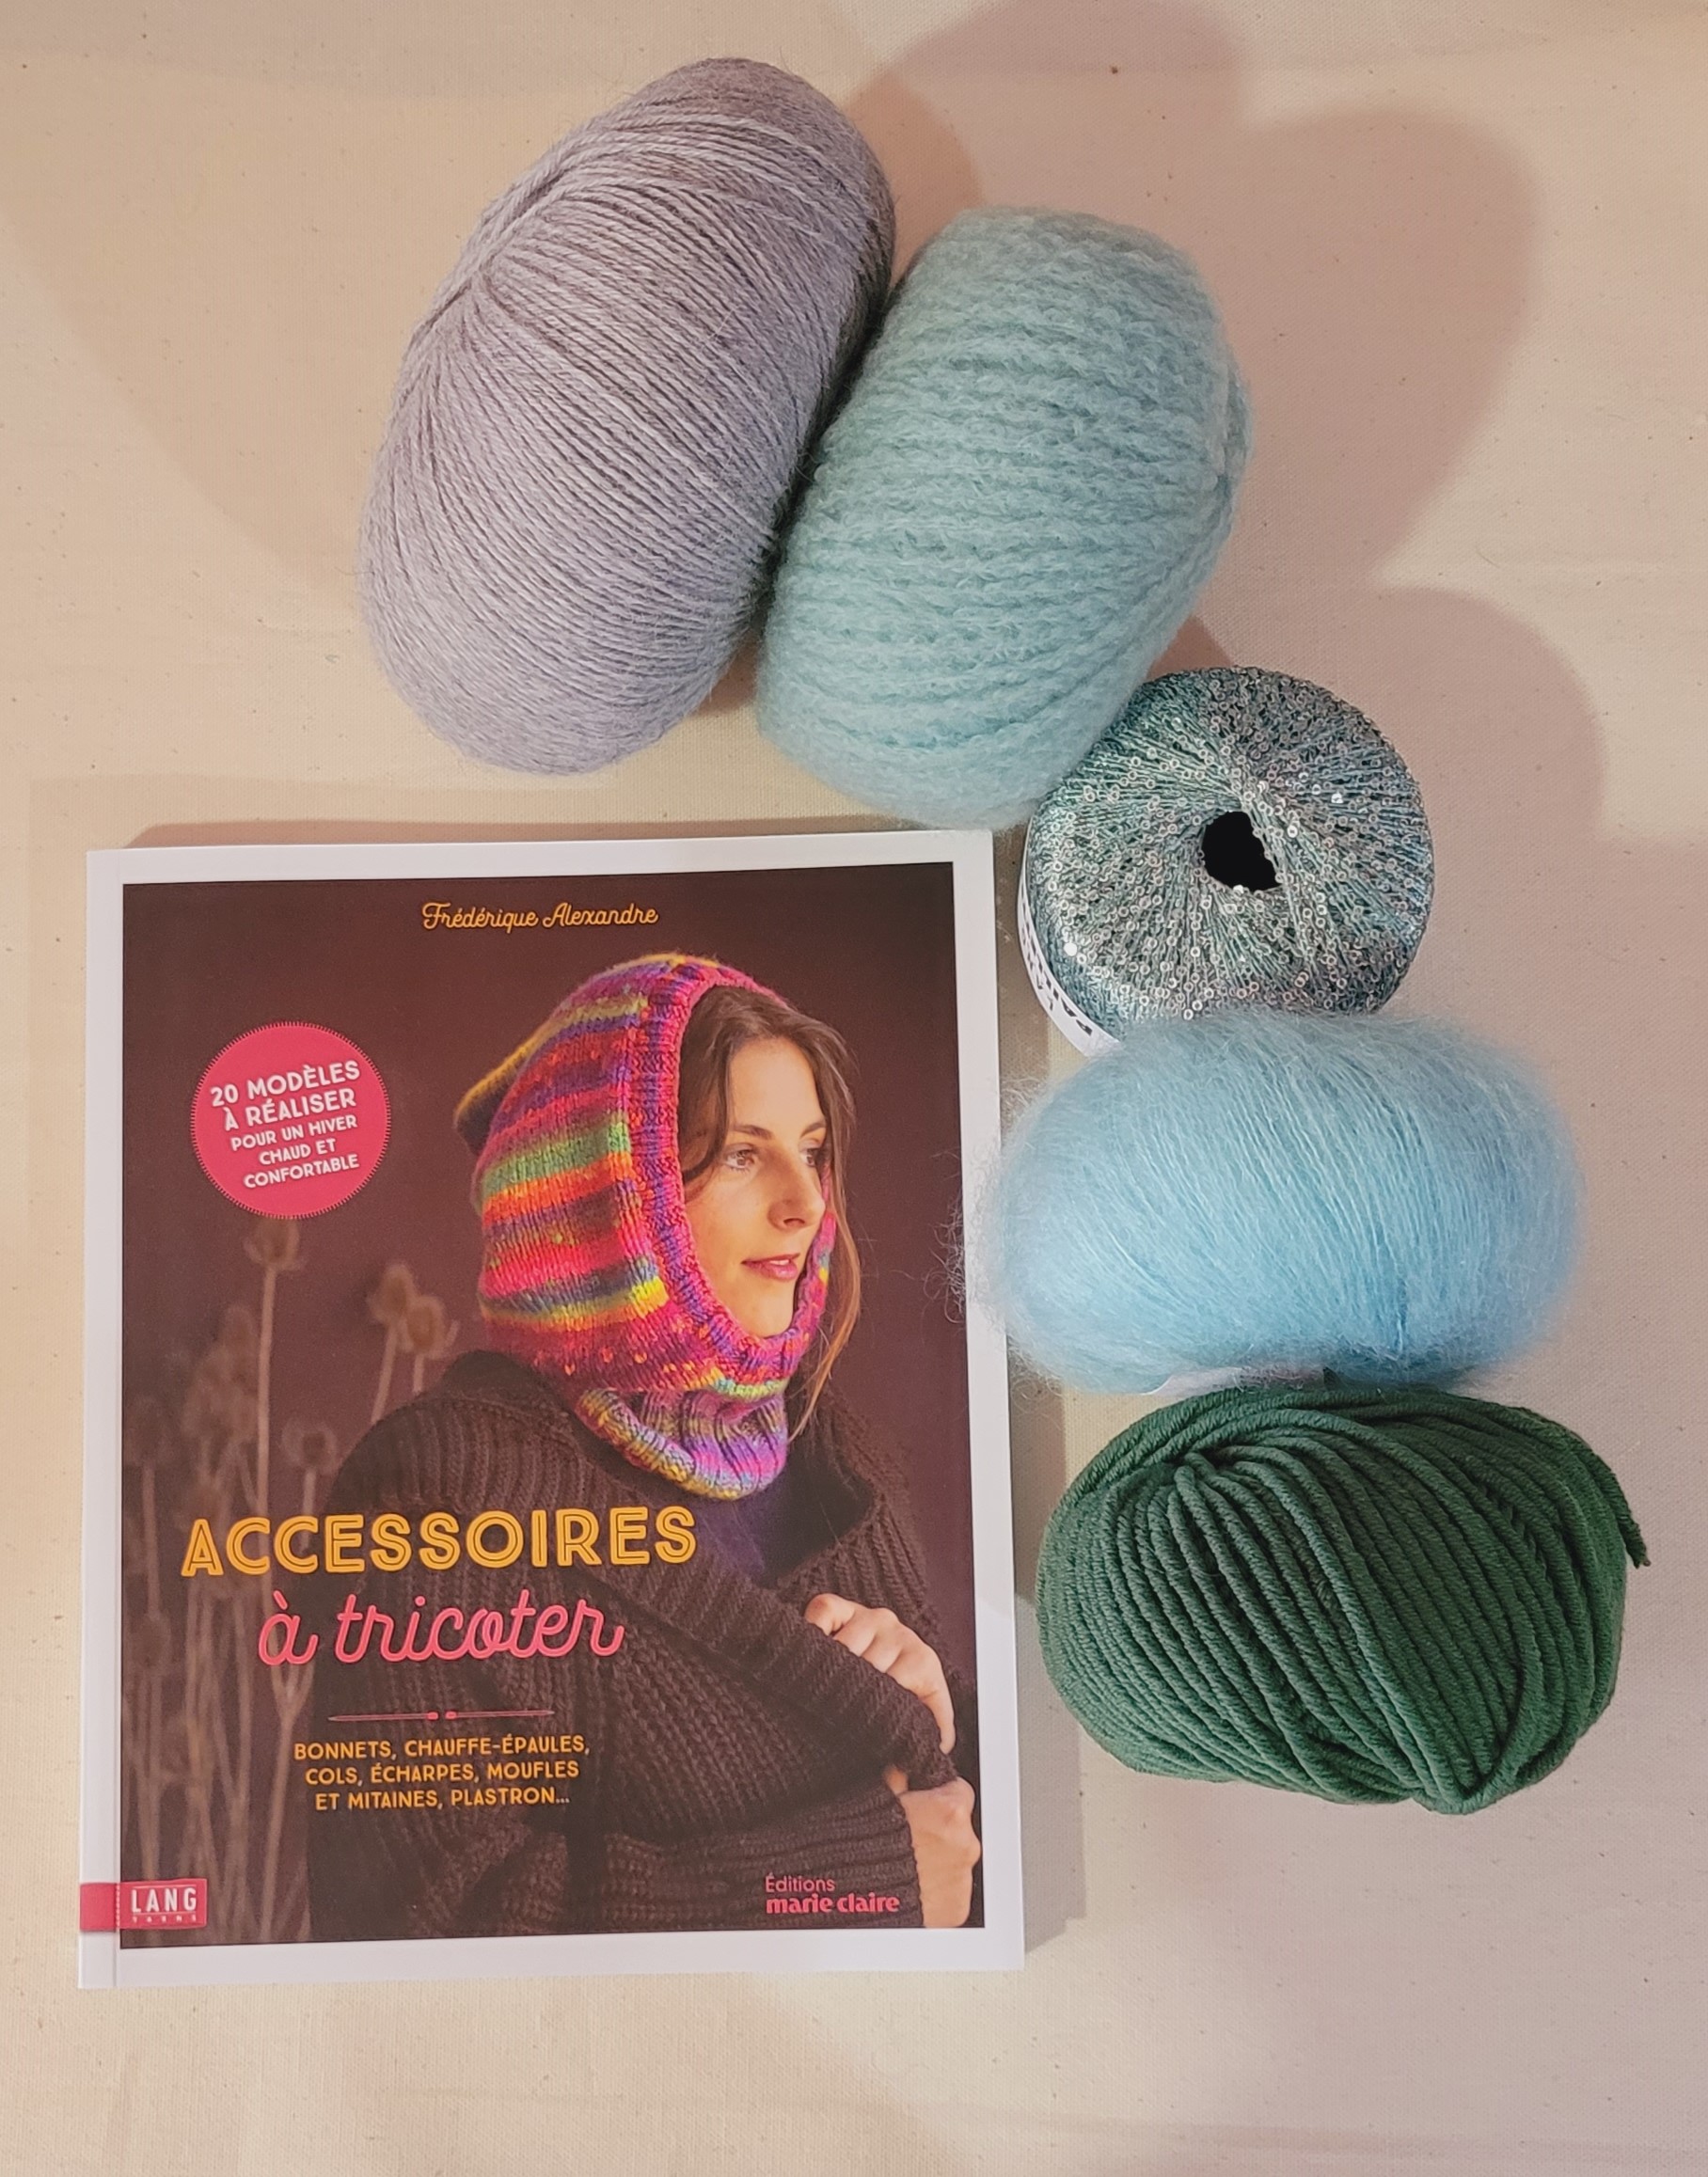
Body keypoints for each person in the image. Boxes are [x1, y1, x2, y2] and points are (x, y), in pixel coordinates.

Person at [307, 953, 980, 1937]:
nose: (805, 1203)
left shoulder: (829, 1441)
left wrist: (931, 1712)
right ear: (604, 1192)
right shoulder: (436, 1491)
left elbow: (964, 1840)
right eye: (742, 1155)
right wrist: (856, 1882)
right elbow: (428, 1921)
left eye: (812, 1150)